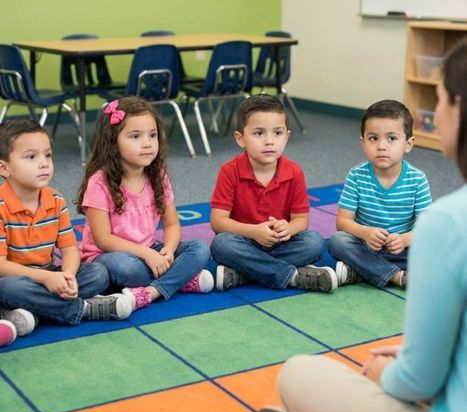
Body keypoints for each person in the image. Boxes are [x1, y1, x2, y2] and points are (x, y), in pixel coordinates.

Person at [257, 39, 467, 412]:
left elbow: (420, 380)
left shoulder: (448, 222)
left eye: (440, 99)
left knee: (300, 372)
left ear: (457, 109)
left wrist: (388, 373)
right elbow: (343, 226)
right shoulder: (363, 178)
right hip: (379, 254)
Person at [0, 120, 135, 341]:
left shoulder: (55, 200)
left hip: (51, 274)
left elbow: (70, 249)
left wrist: (68, 276)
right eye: (31, 157)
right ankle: (83, 309)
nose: (44, 164)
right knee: (7, 289)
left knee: (99, 273)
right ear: (4, 168)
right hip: (16, 278)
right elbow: (1, 265)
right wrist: (44, 279)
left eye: (48, 155)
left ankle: (34, 311)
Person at [76, 97, 213, 311]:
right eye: (135, 136)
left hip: (150, 250)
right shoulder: (99, 182)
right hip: (108, 256)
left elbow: (171, 225)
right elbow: (103, 240)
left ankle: (151, 291)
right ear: (113, 141)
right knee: (127, 269)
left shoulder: (158, 176)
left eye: (153, 135)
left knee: (201, 249)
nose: (147, 143)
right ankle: (181, 280)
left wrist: (167, 249)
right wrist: (148, 255)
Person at [210, 94, 337, 292]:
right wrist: (254, 232)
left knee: (315, 242)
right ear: (240, 139)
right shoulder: (229, 171)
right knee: (221, 244)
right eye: (259, 133)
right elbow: (218, 223)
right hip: (244, 241)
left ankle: (244, 273)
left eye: (277, 133)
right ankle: (293, 276)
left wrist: (288, 229)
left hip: (281, 243)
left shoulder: (294, 172)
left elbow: (301, 220)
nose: (269, 141)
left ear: (286, 137)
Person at [328, 100, 432, 289]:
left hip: (402, 248)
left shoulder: (417, 179)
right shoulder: (356, 175)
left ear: (408, 144)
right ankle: (396, 276)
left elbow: (427, 227)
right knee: (337, 242)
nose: (382, 146)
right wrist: (366, 233)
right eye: (373, 138)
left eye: (391, 138)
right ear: (363, 143)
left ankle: (361, 271)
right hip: (366, 247)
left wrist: (405, 239)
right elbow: (342, 222)